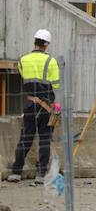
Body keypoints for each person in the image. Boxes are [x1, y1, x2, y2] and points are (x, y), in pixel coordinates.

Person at [7, 29, 61, 185]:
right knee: (45, 139)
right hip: (47, 106)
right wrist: (56, 108)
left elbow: (24, 77)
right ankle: (40, 174)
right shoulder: (51, 61)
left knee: (25, 138)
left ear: (35, 42)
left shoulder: (23, 60)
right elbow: (56, 85)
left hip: (30, 103)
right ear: (46, 45)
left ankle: (16, 172)